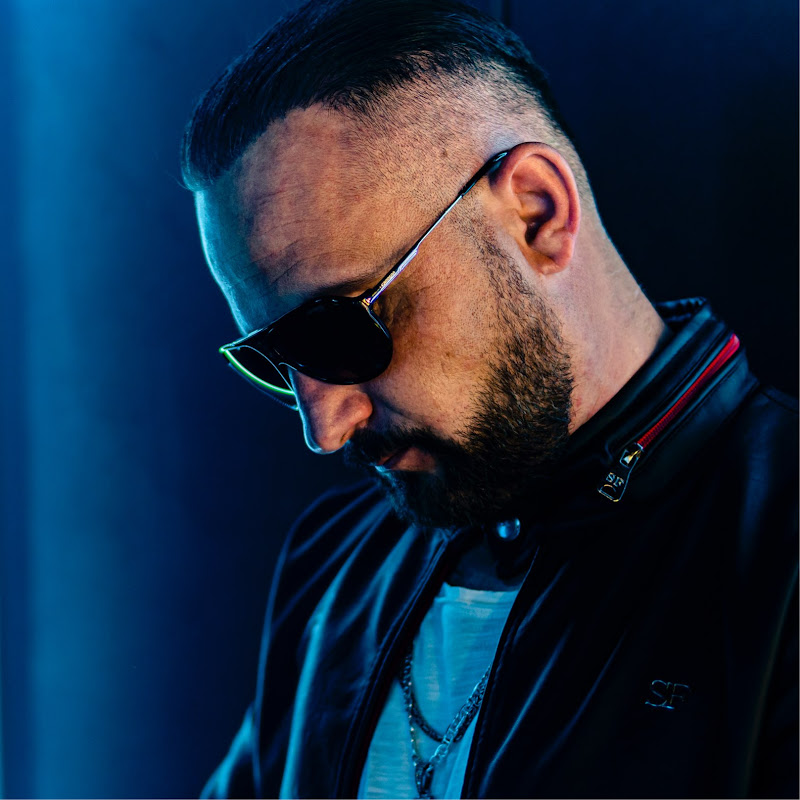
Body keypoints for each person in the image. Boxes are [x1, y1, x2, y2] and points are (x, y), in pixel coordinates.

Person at [182, 0, 798, 796]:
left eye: (341, 333)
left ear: (538, 212)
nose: (325, 429)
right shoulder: (332, 567)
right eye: (277, 360)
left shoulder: (778, 558)